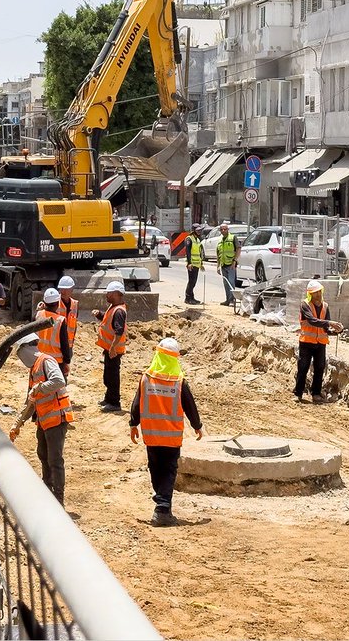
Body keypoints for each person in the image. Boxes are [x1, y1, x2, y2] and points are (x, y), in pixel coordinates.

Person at [129, 338, 203, 526]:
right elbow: (190, 406)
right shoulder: (179, 382)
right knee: (169, 471)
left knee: (155, 469)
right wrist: (197, 426)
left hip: (152, 435)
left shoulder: (146, 378)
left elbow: (137, 403)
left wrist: (133, 424)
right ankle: (162, 508)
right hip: (171, 437)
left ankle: (162, 505)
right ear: (175, 359)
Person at [7, 334, 72, 507]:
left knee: (54, 459)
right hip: (45, 419)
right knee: (43, 454)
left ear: (25, 348)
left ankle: (58, 500)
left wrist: (39, 387)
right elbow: (31, 402)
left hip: (57, 417)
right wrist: (17, 424)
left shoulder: (46, 361)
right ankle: (47, 490)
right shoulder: (34, 369)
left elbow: (59, 381)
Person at [296, 280, 344, 404]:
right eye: (315, 293)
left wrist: (336, 331)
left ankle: (316, 393)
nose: (317, 295)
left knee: (320, 367)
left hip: (320, 343)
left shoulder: (325, 306)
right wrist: (330, 323)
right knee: (303, 367)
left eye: (319, 292)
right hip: (306, 342)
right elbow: (312, 321)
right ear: (310, 294)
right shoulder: (305, 305)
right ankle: (298, 392)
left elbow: (325, 328)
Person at [93, 281, 128, 412]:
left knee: (112, 376)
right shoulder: (113, 308)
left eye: (109, 293)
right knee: (108, 375)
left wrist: (113, 347)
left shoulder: (119, 311)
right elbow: (109, 322)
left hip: (114, 350)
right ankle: (108, 398)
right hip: (109, 349)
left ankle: (114, 402)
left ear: (116, 294)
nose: (106, 295)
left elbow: (118, 332)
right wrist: (99, 315)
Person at [36, 288, 73, 377]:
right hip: (56, 361)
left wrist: (38, 310)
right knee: (56, 387)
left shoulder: (38, 315)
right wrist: (66, 362)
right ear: (58, 304)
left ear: (44, 303)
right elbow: (64, 344)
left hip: (40, 358)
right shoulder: (60, 320)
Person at [216, 222, 239, 307]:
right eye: (221, 229)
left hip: (231, 264)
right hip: (223, 265)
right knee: (226, 283)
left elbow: (238, 249)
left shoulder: (233, 238)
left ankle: (232, 300)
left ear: (228, 230)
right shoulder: (220, 240)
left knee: (231, 283)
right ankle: (227, 300)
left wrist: (235, 261)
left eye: (225, 229)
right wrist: (218, 266)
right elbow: (218, 254)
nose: (223, 230)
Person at [184, 224, 205, 305]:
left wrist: (201, 264)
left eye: (200, 230)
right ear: (193, 230)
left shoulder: (197, 240)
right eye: (197, 230)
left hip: (196, 264)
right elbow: (188, 252)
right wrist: (189, 263)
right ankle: (187, 298)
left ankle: (192, 298)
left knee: (194, 282)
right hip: (191, 264)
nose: (199, 232)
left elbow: (199, 253)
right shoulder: (189, 239)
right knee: (191, 282)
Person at [56, 275, 79, 343]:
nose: (63, 291)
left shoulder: (75, 304)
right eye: (61, 289)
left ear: (72, 289)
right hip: (57, 342)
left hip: (69, 343)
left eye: (66, 289)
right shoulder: (54, 302)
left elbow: (74, 325)